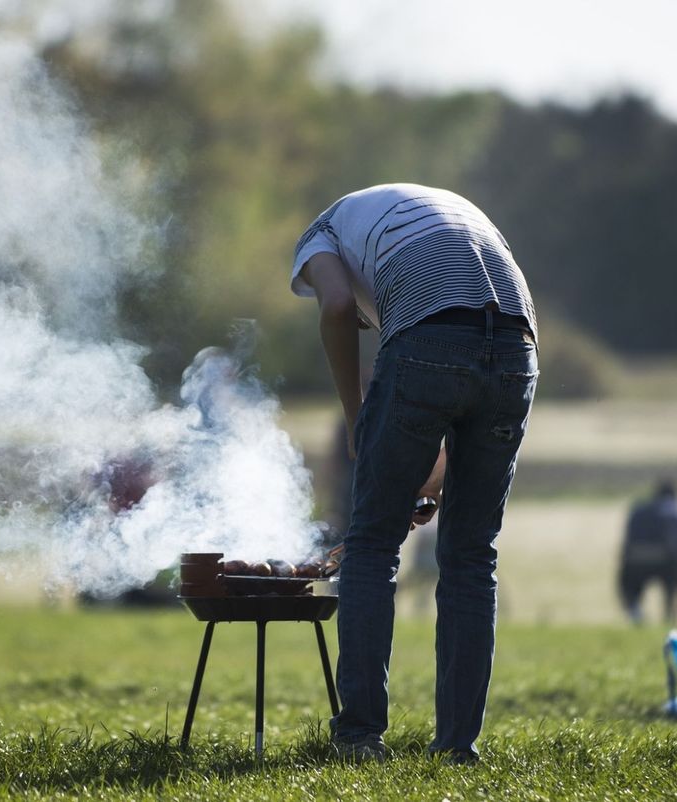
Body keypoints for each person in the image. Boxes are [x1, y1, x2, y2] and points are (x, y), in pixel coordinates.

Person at [291, 183, 538, 764]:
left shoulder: (318, 237)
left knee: (373, 543)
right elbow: (491, 341)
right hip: (515, 348)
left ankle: (359, 738)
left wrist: (359, 423)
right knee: (472, 555)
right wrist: (434, 459)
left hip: (428, 336)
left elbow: (335, 308)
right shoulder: (450, 213)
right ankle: (458, 747)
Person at [618, 478, 677, 623]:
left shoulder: (638, 509)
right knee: (672, 582)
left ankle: (635, 612)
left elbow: (627, 540)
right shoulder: (674, 509)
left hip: (636, 558)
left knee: (629, 585)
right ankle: (669, 615)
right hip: (665, 561)